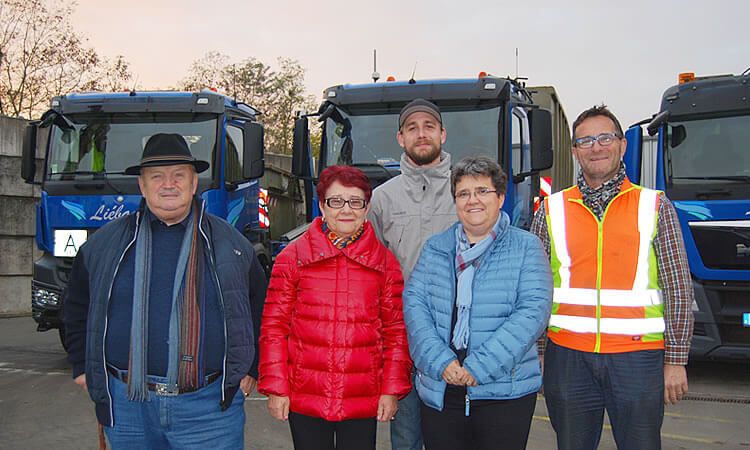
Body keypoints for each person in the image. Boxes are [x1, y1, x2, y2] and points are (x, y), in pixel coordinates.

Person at [62, 133, 266, 449]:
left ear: (194, 183)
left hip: (209, 410)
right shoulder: (104, 245)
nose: (168, 184)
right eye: (157, 176)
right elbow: (76, 306)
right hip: (129, 407)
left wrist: (250, 367)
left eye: (178, 175)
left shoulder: (232, 245)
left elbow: (259, 309)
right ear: (142, 186)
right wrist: (80, 365)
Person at [530, 105, 695, 449]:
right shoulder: (551, 209)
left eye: (605, 137)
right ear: (574, 151)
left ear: (621, 145)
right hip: (568, 358)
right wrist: (540, 351)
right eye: (585, 141)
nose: (596, 147)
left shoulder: (654, 205)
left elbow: (677, 285)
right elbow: (535, 288)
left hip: (638, 359)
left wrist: (676, 359)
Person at [403, 156, 552, 450]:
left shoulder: (526, 246)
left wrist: (479, 367)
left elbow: (533, 310)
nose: (473, 200)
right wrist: (440, 361)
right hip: (442, 387)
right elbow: (414, 304)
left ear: (499, 197)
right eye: (464, 193)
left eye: (483, 191)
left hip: (503, 392)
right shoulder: (436, 247)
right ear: (455, 201)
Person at [258, 165, 412, 450]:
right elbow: (274, 327)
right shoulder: (292, 258)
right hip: (304, 394)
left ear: (367, 208)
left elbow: (396, 332)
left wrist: (391, 390)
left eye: (356, 202)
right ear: (321, 206)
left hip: (362, 397)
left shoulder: (385, 263)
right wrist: (276, 388)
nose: (346, 210)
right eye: (336, 201)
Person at [368, 97, 458, 450]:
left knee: (451, 435)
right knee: (406, 437)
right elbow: (371, 268)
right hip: (402, 341)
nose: (421, 135)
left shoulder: (464, 192)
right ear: (400, 138)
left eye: (429, 127)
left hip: (456, 338)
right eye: (412, 128)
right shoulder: (381, 199)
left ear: (443, 134)